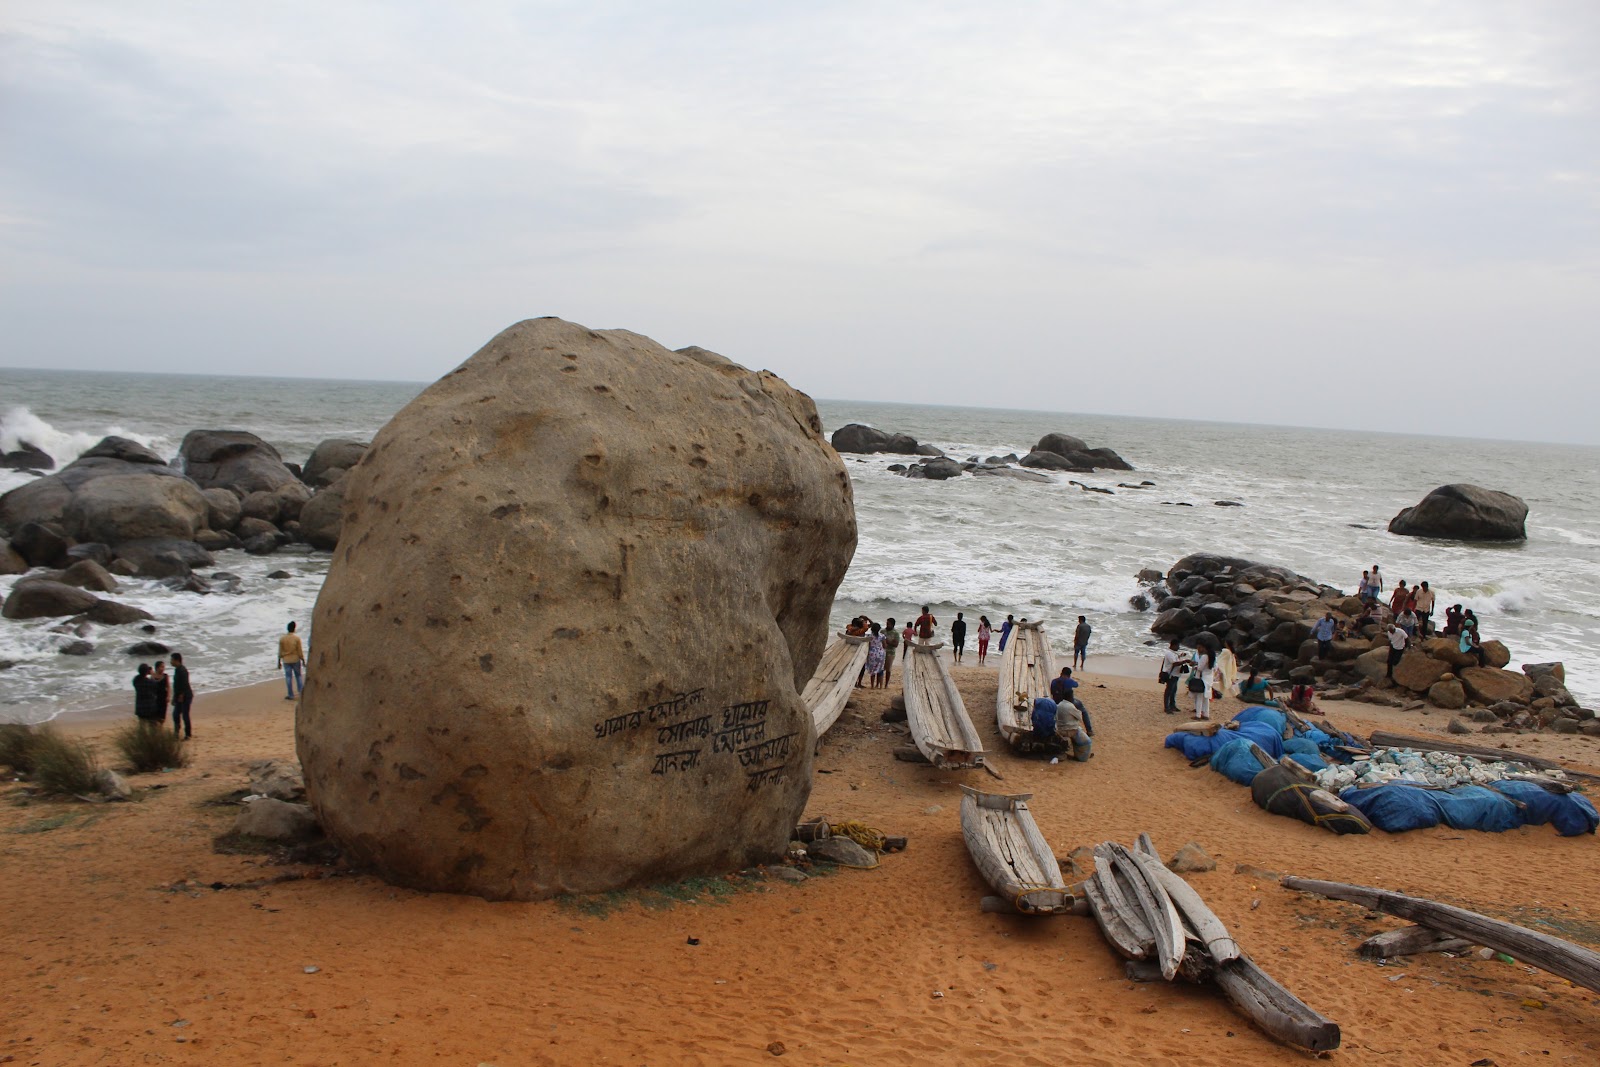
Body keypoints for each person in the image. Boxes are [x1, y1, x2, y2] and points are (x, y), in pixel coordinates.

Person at [1050, 667, 1092, 736]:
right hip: (1068, 701)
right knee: (1082, 709)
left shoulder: (1054, 681)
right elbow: (1076, 685)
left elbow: (1052, 691)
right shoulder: (1068, 681)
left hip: (1056, 701)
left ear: (1061, 673)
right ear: (1069, 675)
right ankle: (1089, 730)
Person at [1053, 696, 1092, 761]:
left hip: (1059, 729)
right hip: (1071, 730)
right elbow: (1080, 717)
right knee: (1087, 742)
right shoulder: (1070, 706)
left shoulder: (1059, 705)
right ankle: (1082, 757)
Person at [1158, 638, 1190, 714]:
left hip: (1175, 675)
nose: (1178, 647)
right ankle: (1167, 707)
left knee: (1173, 691)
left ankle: (1172, 705)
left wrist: (1180, 656)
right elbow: (1175, 663)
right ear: (1173, 645)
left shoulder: (1172, 653)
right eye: (1178, 646)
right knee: (1169, 691)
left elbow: (1175, 660)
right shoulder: (1169, 653)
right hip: (1171, 675)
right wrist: (1185, 661)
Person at [278, 621, 305, 700]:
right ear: (294, 629)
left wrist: (279, 661)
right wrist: (303, 659)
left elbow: (280, 651)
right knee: (298, 676)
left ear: (287, 628)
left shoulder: (282, 639)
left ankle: (290, 695)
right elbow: (299, 650)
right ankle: (301, 693)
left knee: (288, 677)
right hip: (295, 659)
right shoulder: (296, 638)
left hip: (286, 660)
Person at [170, 652, 193, 739]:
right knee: (175, 714)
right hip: (179, 696)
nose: (171, 662)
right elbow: (177, 685)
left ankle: (188, 734)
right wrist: (174, 697)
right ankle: (176, 732)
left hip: (185, 696)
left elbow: (185, 684)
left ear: (177, 660)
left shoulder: (182, 670)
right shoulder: (177, 670)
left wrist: (181, 695)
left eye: (172, 660)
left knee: (185, 715)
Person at [1189, 646, 1215, 721]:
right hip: (1209, 679)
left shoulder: (1204, 656)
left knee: (1199, 697)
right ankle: (1206, 714)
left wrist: (1195, 666)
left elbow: (1200, 668)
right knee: (1206, 698)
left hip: (1202, 679)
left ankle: (1198, 715)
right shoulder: (1212, 657)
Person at [864, 623, 886, 688]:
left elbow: (867, 645)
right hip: (880, 654)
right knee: (880, 670)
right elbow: (885, 646)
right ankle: (880, 686)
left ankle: (872, 686)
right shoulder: (882, 636)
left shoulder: (869, 636)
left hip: (872, 654)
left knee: (872, 671)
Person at [152, 660, 171, 724]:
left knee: (162, 715)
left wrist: (168, 696)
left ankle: (161, 727)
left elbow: (168, 687)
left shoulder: (165, 676)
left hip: (163, 697)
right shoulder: (152, 676)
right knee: (154, 714)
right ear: (157, 668)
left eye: (163, 667)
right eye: (161, 667)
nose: (163, 668)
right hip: (155, 697)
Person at [881, 618, 899, 684]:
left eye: (888, 624)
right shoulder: (882, 631)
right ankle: (879, 683)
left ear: (893, 625)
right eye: (887, 623)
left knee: (888, 669)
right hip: (882, 652)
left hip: (890, 653)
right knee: (881, 668)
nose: (887, 625)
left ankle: (886, 684)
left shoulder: (896, 633)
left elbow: (896, 644)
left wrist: (887, 642)